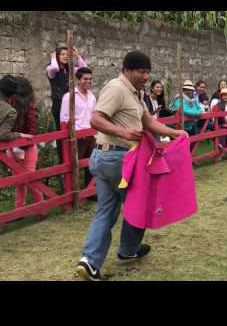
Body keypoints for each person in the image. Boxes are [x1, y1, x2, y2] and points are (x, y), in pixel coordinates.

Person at [77, 51, 186, 281]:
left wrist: (176, 132)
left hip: (108, 159)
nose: (145, 76)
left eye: (147, 72)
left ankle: (89, 261)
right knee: (141, 203)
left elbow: (149, 122)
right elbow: (96, 119)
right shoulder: (116, 88)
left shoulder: (135, 92)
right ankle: (128, 250)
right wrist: (124, 132)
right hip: (118, 159)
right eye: (141, 71)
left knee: (106, 210)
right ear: (126, 69)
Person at [0, 75, 42, 209]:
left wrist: (22, 141)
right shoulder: (9, 107)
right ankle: (19, 208)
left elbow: (33, 130)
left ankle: (41, 207)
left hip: (26, 146)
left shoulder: (29, 107)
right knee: (18, 181)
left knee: (30, 178)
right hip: (13, 145)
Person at [60, 67, 96, 189]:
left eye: (90, 79)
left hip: (91, 135)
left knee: (91, 164)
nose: (88, 81)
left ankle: (90, 191)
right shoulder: (69, 96)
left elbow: (94, 114)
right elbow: (64, 118)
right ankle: (72, 191)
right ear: (78, 80)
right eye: (85, 79)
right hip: (77, 135)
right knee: (74, 165)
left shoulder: (92, 96)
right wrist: (71, 127)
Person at [47, 46, 88, 131]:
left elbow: (84, 70)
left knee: (72, 128)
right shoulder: (51, 69)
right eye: (62, 54)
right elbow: (55, 68)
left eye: (67, 54)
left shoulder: (69, 70)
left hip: (70, 103)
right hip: (59, 103)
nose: (66, 56)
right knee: (60, 129)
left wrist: (77, 56)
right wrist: (53, 57)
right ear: (57, 56)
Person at [169, 80, 204, 151]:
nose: (189, 92)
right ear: (183, 90)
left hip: (190, 124)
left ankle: (190, 157)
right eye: (187, 90)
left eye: (191, 90)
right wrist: (197, 113)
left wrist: (198, 112)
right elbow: (184, 110)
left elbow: (199, 108)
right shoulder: (179, 99)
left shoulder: (193, 99)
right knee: (180, 145)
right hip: (178, 127)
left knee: (194, 140)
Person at [212, 88, 227, 160]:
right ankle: (220, 155)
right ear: (221, 96)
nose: (225, 97)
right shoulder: (218, 105)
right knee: (222, 141)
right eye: (223, 95)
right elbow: (214, 115)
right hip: (222, 125)